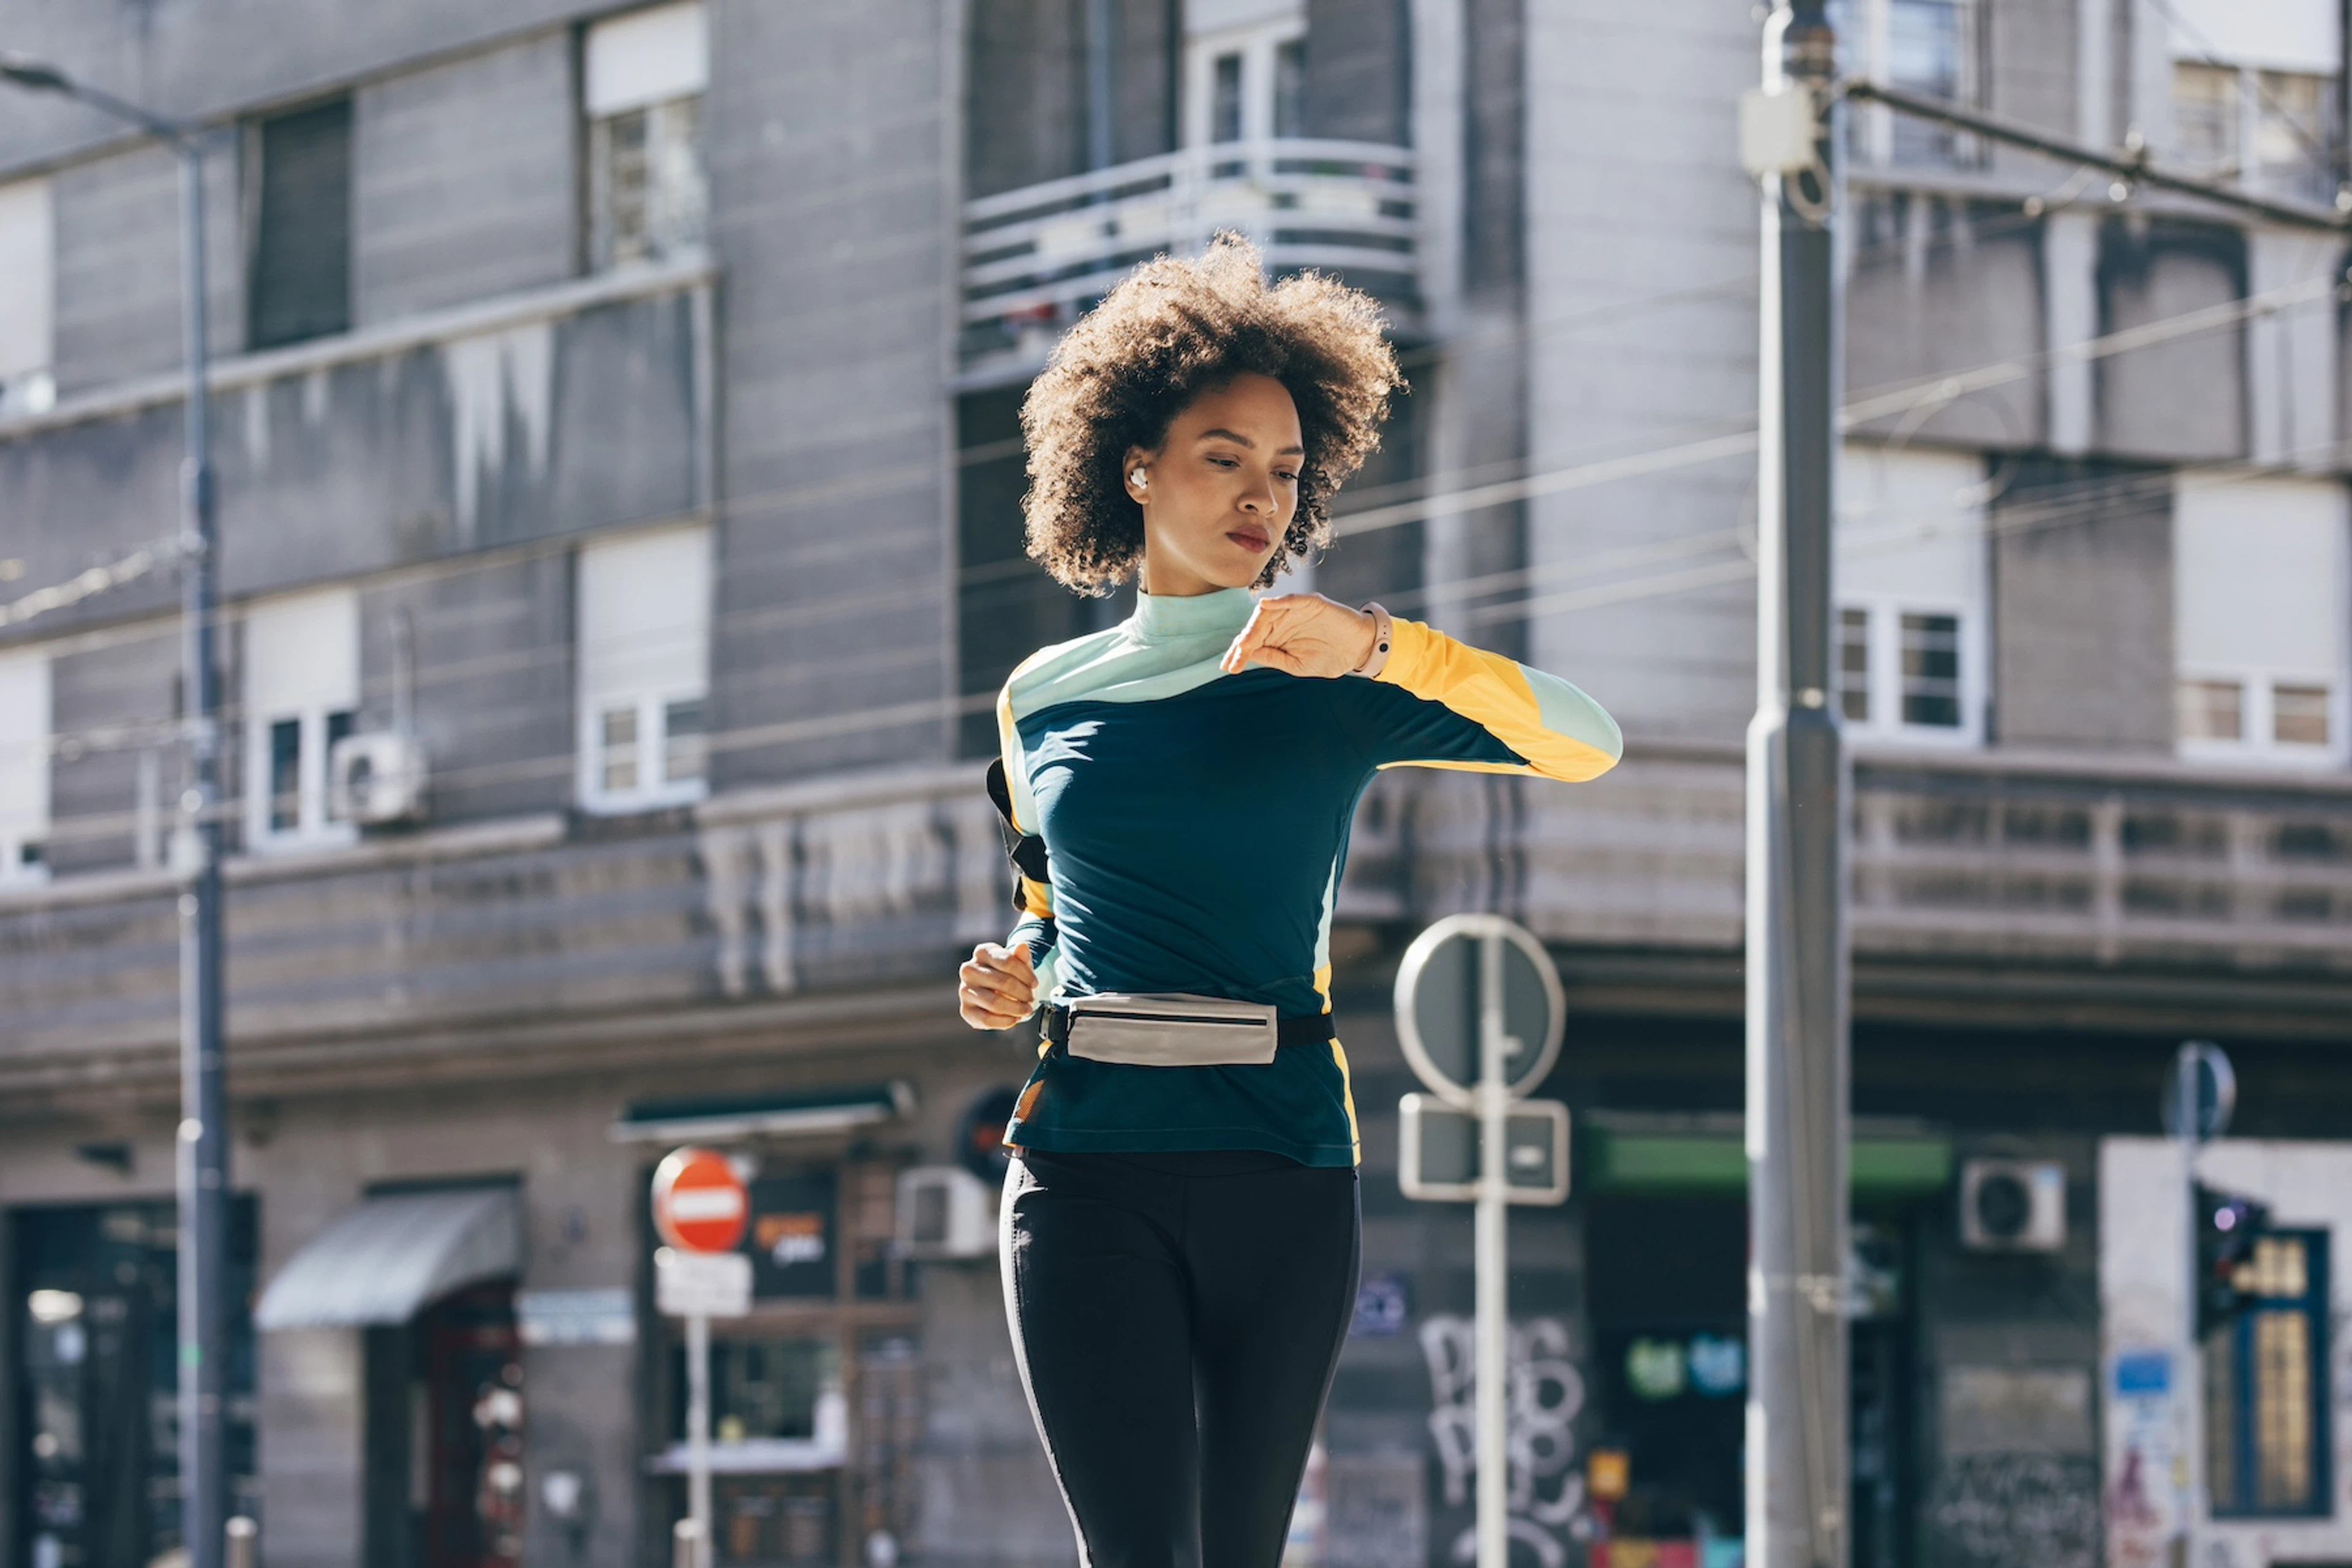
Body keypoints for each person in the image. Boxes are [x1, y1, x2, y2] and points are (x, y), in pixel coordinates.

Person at [956, 235, 1621, 1567]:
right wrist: (1014, 966)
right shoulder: (1044, 694)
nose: (1262, 495)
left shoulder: (1331, 669)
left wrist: (1385, 644)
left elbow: (1585, 738)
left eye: (1285, 468)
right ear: (1134, 467)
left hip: (1284, 1159)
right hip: (1085, 1163)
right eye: (1223, 457)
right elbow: (1049, 895)